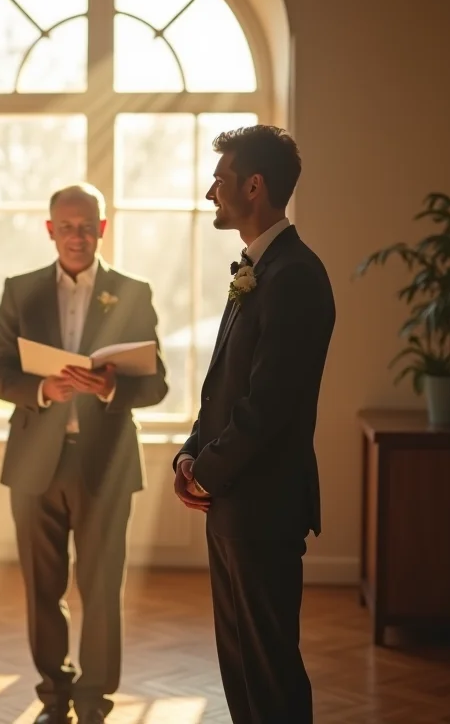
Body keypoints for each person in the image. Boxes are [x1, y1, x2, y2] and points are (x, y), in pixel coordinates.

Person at [0, 183, 168, 724]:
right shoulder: (20, 291)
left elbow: (157, 387)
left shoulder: (133, 292)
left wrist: (109, 387)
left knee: (102, 588)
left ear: (103, 229)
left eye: (87, 226)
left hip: (105, 466)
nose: (77, 236)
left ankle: (94, 702)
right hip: (34, 464)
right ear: (50, 231)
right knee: (43, 589)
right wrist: (43, 391)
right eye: (66, 227)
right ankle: (54, 696)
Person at [173, 126, 335, 724]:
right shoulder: (256, 268)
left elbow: (267, 405)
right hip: (233, 501)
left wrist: (206, 473)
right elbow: (223, 383)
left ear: (254, 185)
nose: (211, 190)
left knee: (270, 670)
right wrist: (188, 456)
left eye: (220, 179)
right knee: (239, 664)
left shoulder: (295, 276)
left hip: (264, 503)